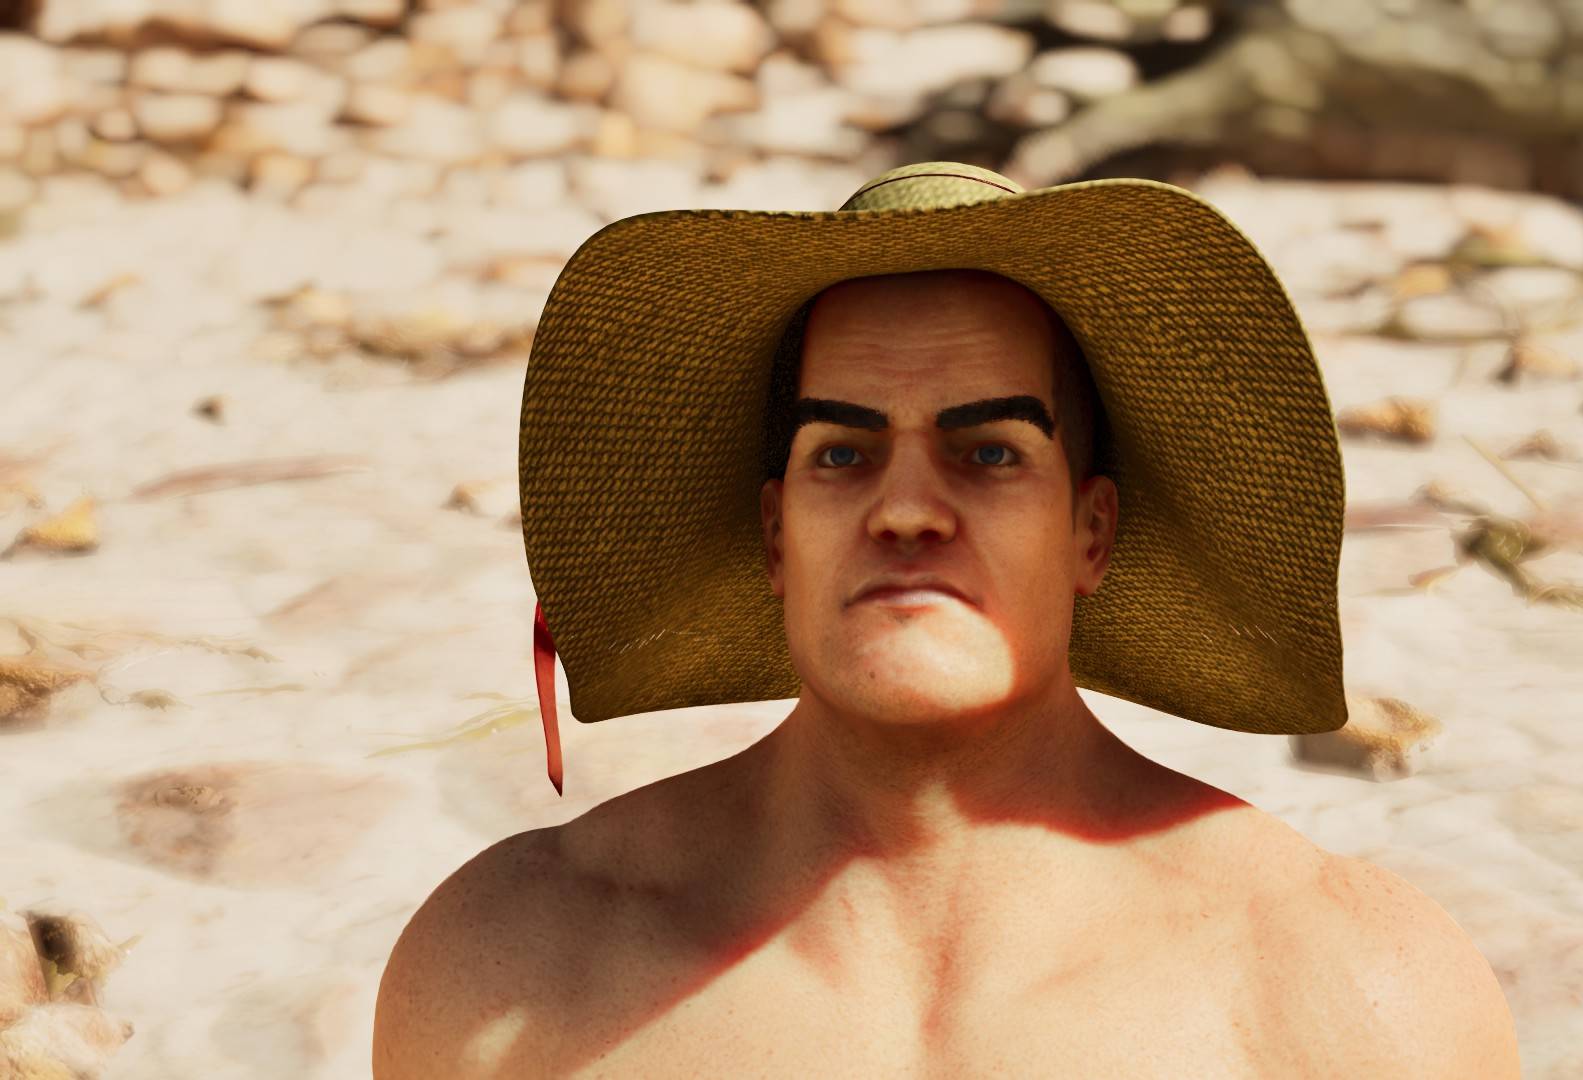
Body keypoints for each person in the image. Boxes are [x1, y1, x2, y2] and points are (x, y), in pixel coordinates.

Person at [373, 162, 1521, 1077]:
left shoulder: (1349, 994)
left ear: (1092, 531)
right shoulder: (512, 971)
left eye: (989, 452)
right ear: (777, 535)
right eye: (843, 453)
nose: (908, 509)